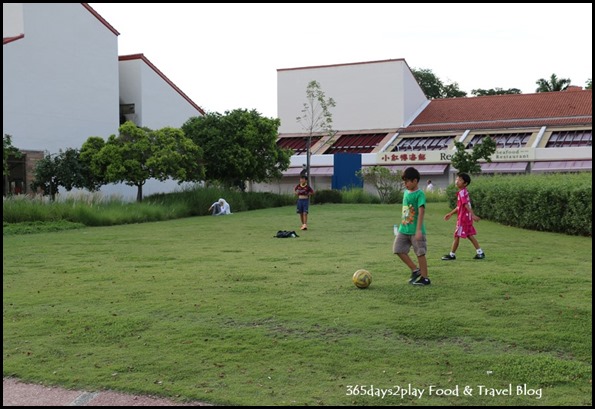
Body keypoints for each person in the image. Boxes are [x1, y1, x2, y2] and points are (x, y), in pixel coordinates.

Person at [394, 167, 430, 286]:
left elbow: (421, 212)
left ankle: (425, 278)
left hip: (416, 231)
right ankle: (415, 270)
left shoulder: (420, 194)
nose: (405, 184)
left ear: (415, 181)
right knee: (398, 249)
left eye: (408, 181)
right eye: (404, 181)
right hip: (404, 229)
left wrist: (418, 230)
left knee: (420, 253)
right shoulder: (405, 193)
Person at [441, 172, 485, 260]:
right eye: (457, 179)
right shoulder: (464, 192)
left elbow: (465, 205)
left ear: (465, 183)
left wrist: (473, 215)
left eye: (460, 180)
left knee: (457, 235)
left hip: (463, 218)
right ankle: (480, 252)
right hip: (466, 218)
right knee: (469, 235)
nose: (457, 181)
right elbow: (459, 207)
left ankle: (452, 255)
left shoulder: (462, 193)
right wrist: (450, 213)